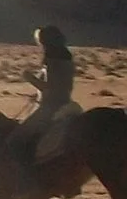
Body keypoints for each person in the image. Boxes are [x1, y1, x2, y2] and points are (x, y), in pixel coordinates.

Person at [7, 25, 80, 182]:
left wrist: (29, 77)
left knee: (17, 138)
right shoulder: (65, 56)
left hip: (51, 106)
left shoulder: (52, 59)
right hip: (64, 101)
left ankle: (27, 177)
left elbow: (50, 87)